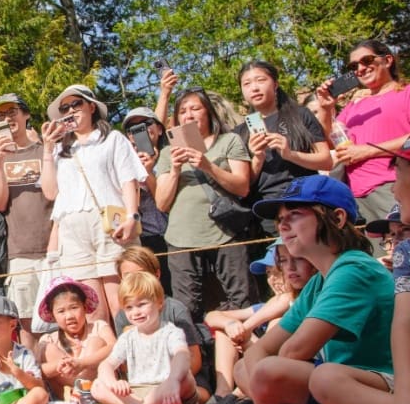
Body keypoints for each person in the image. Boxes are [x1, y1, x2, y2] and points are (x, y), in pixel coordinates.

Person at [233, 175, 394, 404]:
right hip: (351, 384)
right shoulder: (319, 280)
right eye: (280, 218)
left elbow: (294, 351)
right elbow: (263, 351)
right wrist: (263, 381)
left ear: (338, 218)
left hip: (389, 384)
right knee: (245, 368)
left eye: (294, 215)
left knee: (294, 374)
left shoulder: (354, 267)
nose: (282, 225)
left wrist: (265, 385)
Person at [309, 144, 410, 404]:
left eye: (399, 173)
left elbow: (291, 351)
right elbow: (404, 323)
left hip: (383, 379)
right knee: (323, 378)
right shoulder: (407, 251)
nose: (392, 187)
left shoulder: (355, 268)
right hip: (393, 383)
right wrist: (404, 398)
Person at [40, 85, 147, 322]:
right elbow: (49, 192)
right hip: (72, 229)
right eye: (64, 107)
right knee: (90, 311)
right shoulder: (60, 149)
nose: (70, 110)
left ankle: (130, 357)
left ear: (91, 106)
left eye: (76, 104)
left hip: (109, 224)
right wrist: (47, 149)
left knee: (122, 303)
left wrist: (132, 216)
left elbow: (128, 180)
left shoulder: (112, 139)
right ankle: (104, 358)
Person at [154, 87, 255, 316]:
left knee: (241, 298)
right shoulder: (168, 153)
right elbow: (161, 203)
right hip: (181, 238)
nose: (188, 115)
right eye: (182, 111)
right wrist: (175, 170)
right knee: (186, 306)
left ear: (208, 112)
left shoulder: (229, 140)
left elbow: (242, 186)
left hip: (226, 233)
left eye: (195, 108)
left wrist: (207, 166)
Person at [201, 239, 313, 404]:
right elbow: (212, 316)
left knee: (275, 322)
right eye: (269, 274)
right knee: (226, 332)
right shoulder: (266, 305)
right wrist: (232, 326)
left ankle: (240, 398)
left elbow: (284, 301)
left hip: (292, 367)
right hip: (267, 364)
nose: (273, 280)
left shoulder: (291, 300)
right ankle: (225, 394)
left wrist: (244, 329)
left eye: (277, 273)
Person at [0, 93, 54, 352]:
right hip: (19, 252)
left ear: (27, 116)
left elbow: (54, 194)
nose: (7, 118)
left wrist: (47, 147)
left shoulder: (47, 149)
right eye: (1, 115)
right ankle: (38, 385)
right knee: (28, 326)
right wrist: (0, 160)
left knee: (66, 321)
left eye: (13, 111)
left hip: (56, 249)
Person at [315, 39, 410, 224]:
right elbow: (328, 142)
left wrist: (367, 150)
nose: (360, 68)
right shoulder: (354, 105)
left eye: (366, 60)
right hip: (354, 197)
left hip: (392, 186)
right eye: (353, 65)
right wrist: (326, 108)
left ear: (387, 60)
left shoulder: (405, 93)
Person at [87, 271, 198, 404]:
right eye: (129, 307)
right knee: (98, 385)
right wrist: (113, 382)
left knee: (187, 379)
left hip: (167, 392)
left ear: (159, 303)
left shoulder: (171, 332)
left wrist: (173, 380)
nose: (136, 312)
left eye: (142, 305)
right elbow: (106, 365)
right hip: (138, 394)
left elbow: (182, 355)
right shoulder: (127, 337)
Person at [236, 61, 332, 234]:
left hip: (305, 200)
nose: (254, 88)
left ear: (276, 84)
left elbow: (326, 161)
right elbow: (243, 185)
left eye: (260, 80)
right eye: (247, 84)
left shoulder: (300, 115)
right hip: (266, 210)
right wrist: (257, 157)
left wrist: (290, 154)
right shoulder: (239, 132)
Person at [36, 276, 116, 400]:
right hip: (66, 396)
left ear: (84, 307)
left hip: (98, 391)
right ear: (53, 315)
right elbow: (38, 370)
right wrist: (61, 363)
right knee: (48, 349)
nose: (69, 316)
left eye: (74, 308)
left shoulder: (99, 327)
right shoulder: (48, 339)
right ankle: (76, 397)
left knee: (96, 342)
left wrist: (82, 363)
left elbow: (114, 347)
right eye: (61, 311)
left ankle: (84, 394)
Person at [121, 107, 171, 293]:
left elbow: (164, 201)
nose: (140, 129)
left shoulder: (173, 154)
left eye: (146, 123)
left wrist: (149, 172)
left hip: (170, 236)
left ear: (159, 128)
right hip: (141, 239)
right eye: (132, 128)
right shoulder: (124, 162)